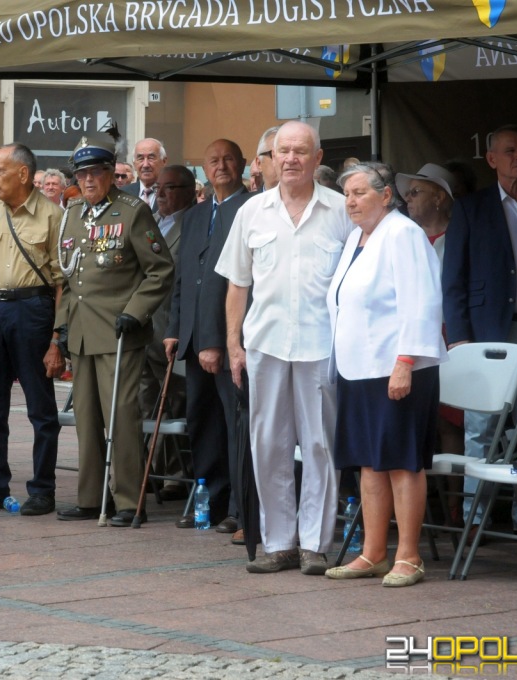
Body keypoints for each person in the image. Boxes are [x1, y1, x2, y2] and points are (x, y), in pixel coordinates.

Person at [216, 121, 354, 575]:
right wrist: (233, 345)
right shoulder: (251, 212)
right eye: (283, 151)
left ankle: (315, 544)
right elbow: (238, 284)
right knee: (268, 445)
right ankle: (279, 542)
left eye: (301, 151)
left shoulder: (341, 211)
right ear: (270, 159)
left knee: (320, 445)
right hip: (266, 344)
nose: (291, 159)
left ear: (317, 159)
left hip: (322, 346)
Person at [323, 162, 446, 587]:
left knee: (401, 462)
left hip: (397, 367)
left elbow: (422, 302)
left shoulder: (403, 234)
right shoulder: (357, 237)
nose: (351, 202)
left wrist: (405, 363)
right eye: (348, 195)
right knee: (368, 464)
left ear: (386, 195)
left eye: (359, 193)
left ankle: (408, 556)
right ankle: (373, 552)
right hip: (359, 367)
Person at [443, 124, 517, 539]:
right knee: (482, 427)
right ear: (491, 159)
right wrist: (460, 338)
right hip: (488, 336)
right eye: (510, 150)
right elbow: (453, 279)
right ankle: (476, 519)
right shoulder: (470, 209)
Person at [55, 136, 174, 526]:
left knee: (121, 417)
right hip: (83, 332)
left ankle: (128, 501)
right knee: (87, 419)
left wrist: (136, 312)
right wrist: (61, 329)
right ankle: (90, 497)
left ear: (111, 175)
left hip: (120, 331)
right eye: (82, 174)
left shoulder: (133, 211)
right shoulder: (72, 213)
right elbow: (70, 278)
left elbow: (161, 269)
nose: (88, 180)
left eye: (96, 173)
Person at [0, 143, 64, 516]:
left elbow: (60, 284)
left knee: (41, 408)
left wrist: (56, 339)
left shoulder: (53, 216)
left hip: (32, 310)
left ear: (23, 174)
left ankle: (43, 489)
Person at [166, 140, 253, 538]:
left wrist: (218, 340)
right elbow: (183, 277)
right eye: (213, 160)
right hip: (192, 338)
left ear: (242, 165)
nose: (221, 166)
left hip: (229, 338)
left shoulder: (250, 209)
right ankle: (210, 500)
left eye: (228, 159)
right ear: (203, 168)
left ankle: (239, 506)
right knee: (202, 423)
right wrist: (174, 328)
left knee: (236, 424)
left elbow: (235, 283)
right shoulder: (196, 215)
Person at [395, 162, 465, 525]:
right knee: (423, 420)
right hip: (415, 338)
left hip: (451, 336)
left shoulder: (460, 236)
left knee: (450, 423)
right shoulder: (405, 237)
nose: (407, 199)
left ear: (440, 197)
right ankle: (418, 511)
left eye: (416, 192)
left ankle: (455, 510)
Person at [142, 165, 195, 502]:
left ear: (190, 190)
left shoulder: (192, 222)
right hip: (144, 329)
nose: (161, 194)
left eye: (170, 187)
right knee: (145, 403)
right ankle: (149, 471)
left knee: (175, 401)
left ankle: (177, 476)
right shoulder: (153, 222)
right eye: (158, 188)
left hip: (170, 328)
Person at [121, 138, 167, 212]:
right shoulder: (122, 194)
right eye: (140, 158)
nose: (145, 165)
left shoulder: (173, 195)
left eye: (151, 158)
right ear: (134, 164)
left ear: (163, 162)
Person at [248, 126, 280, 193]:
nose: (288, 160)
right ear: (259, 163)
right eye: (276, 155)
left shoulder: (307, 202)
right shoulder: (244, 203)